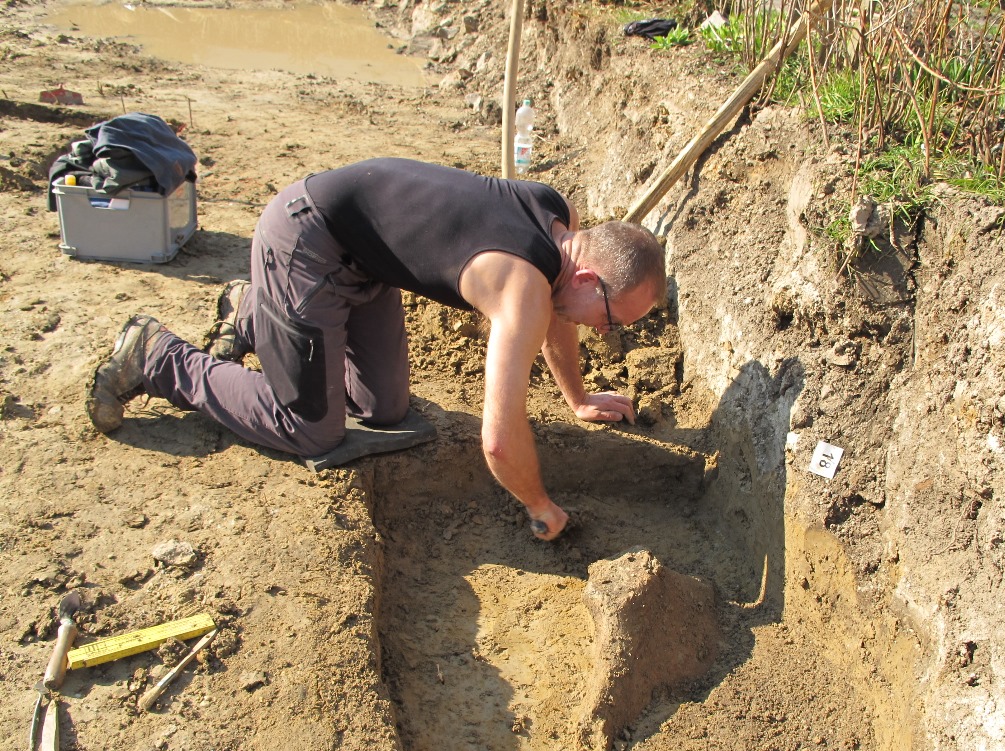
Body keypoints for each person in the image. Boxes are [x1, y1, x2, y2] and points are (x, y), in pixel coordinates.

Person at [87, 157, 667, 541]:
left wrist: (577, 397)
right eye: (612, 319)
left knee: (384, 409)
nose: (605, 333)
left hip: (365, 264)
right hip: (306, 240)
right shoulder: (521, 289)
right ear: (589, 276)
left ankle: (255, 311)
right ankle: (159, 357)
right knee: (312, 430)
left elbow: (561, 317)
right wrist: (540, 505)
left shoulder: (559, 217)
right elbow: (497, 439)